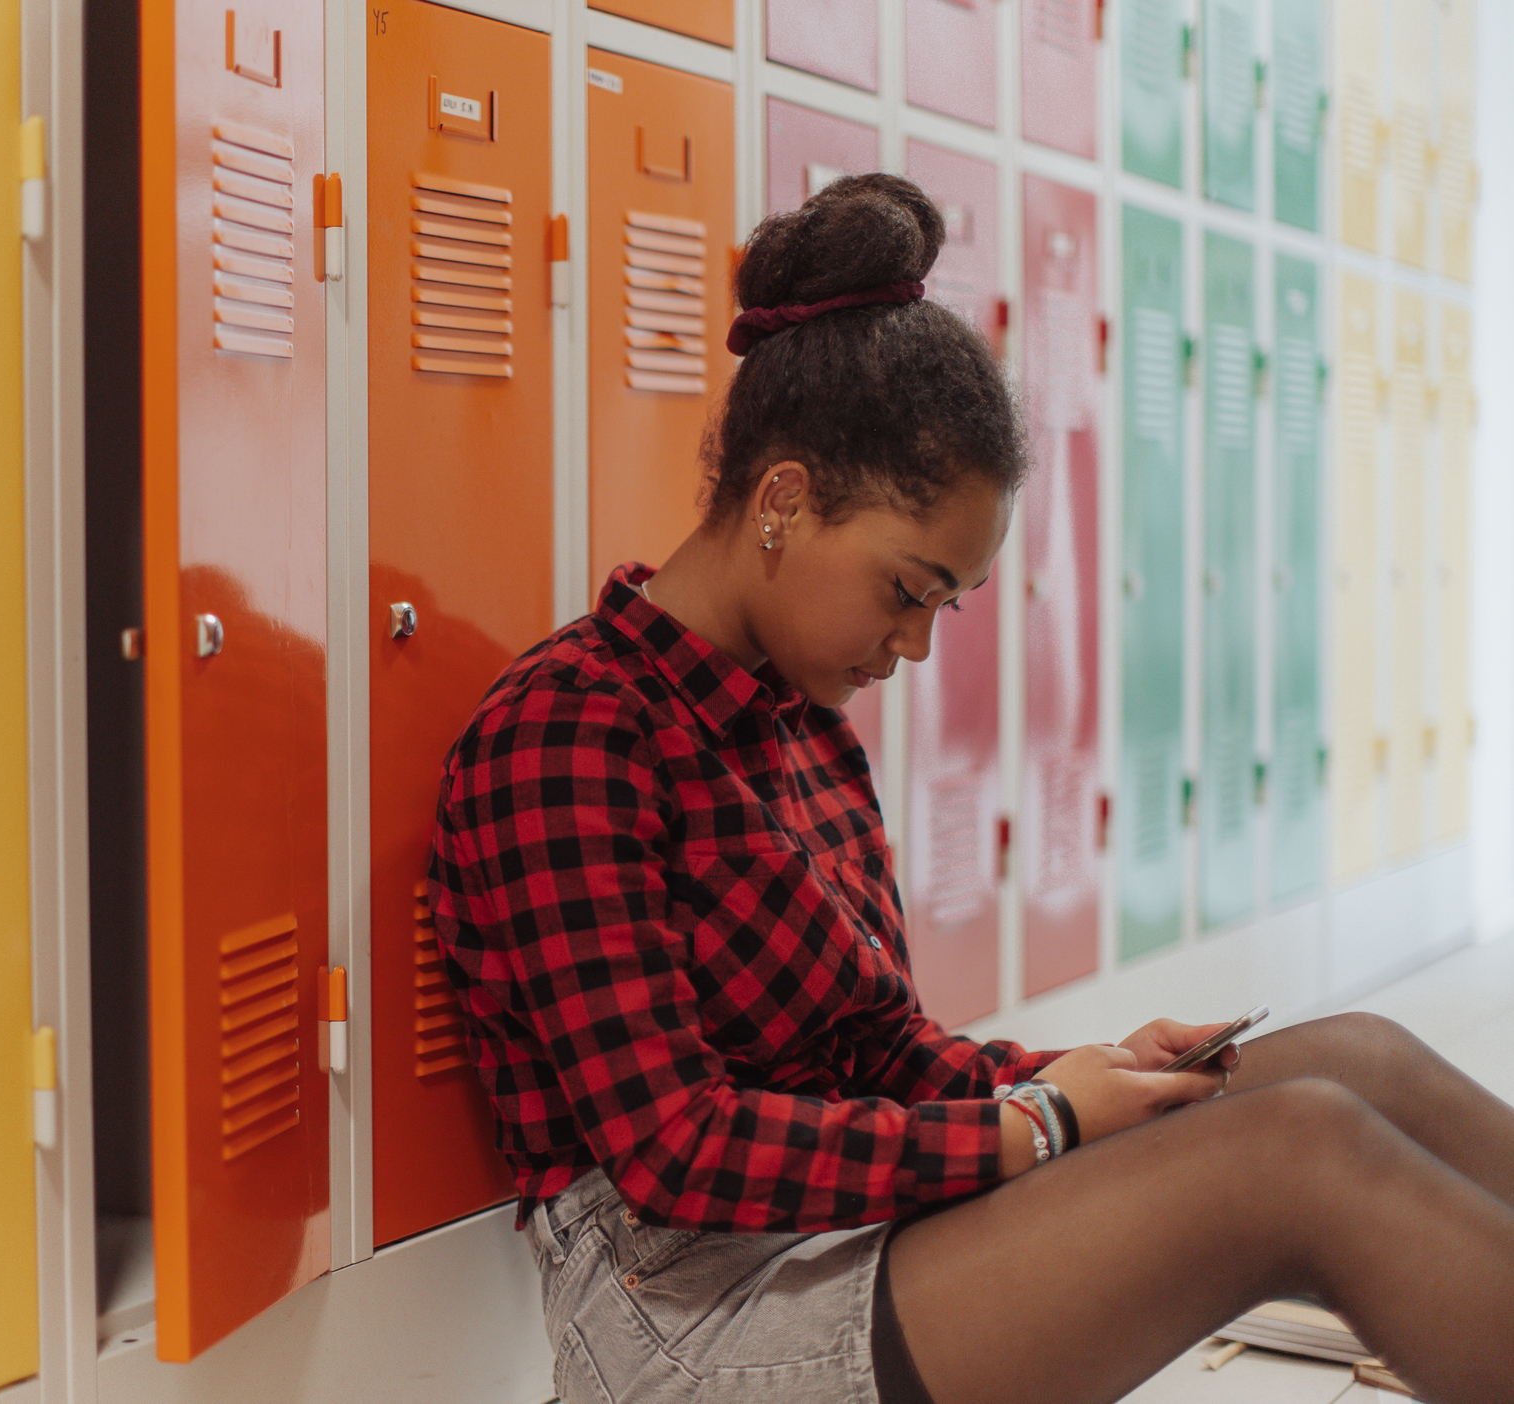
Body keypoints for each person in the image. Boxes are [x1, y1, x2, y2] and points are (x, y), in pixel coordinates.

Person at [425, 172, 1514, 1404]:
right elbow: (675, 1149)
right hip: (684, 1311)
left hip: (849, 1238)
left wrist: (1091, 1075)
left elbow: (886, 1051)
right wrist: (1038, 1124)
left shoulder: (803, 727)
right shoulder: (569, 731)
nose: (916, 648)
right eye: (906, 590)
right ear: (781, 500)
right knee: (1297, 1152)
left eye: (946, 605)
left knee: (1354, 1062)